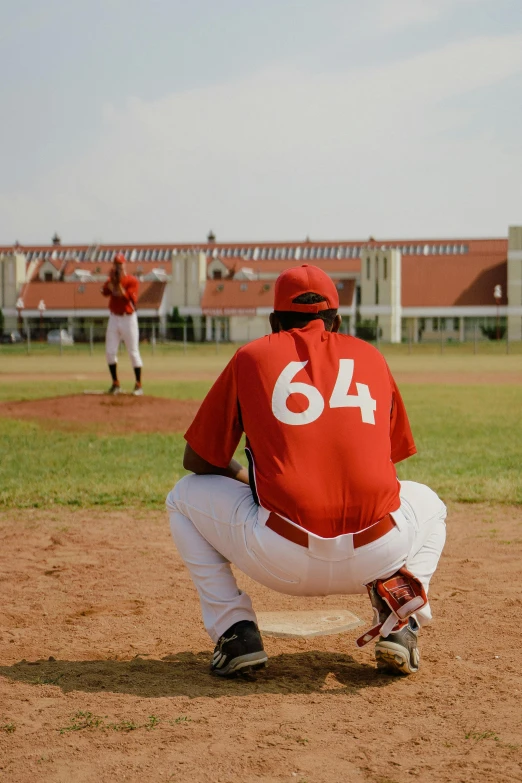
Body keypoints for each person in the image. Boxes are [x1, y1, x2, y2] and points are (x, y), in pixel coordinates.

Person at [166, 264, 446, 678]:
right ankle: (399, 618)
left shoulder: (251, 356)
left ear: (274, 321)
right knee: (429, 503)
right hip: (378, 552)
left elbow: (198, 459)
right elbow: (387, 458)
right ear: (337, 320)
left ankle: (235, 632)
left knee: (183, 497)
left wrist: (249, 479)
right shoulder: (371, 356)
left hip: (281, 557)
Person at [101, 253, 143, 395]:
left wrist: (117, 283)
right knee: (110, 352)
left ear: (125, 265)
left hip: (128, 319)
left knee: (133, 352)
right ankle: (115, 383)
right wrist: (112, 282)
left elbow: (126, 297)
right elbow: (104, 292)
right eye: (116, 264)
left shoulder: (132, 281)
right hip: (114, 317)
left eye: (120, 264)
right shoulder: (111, 280)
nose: (118, 267)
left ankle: (138, 385)